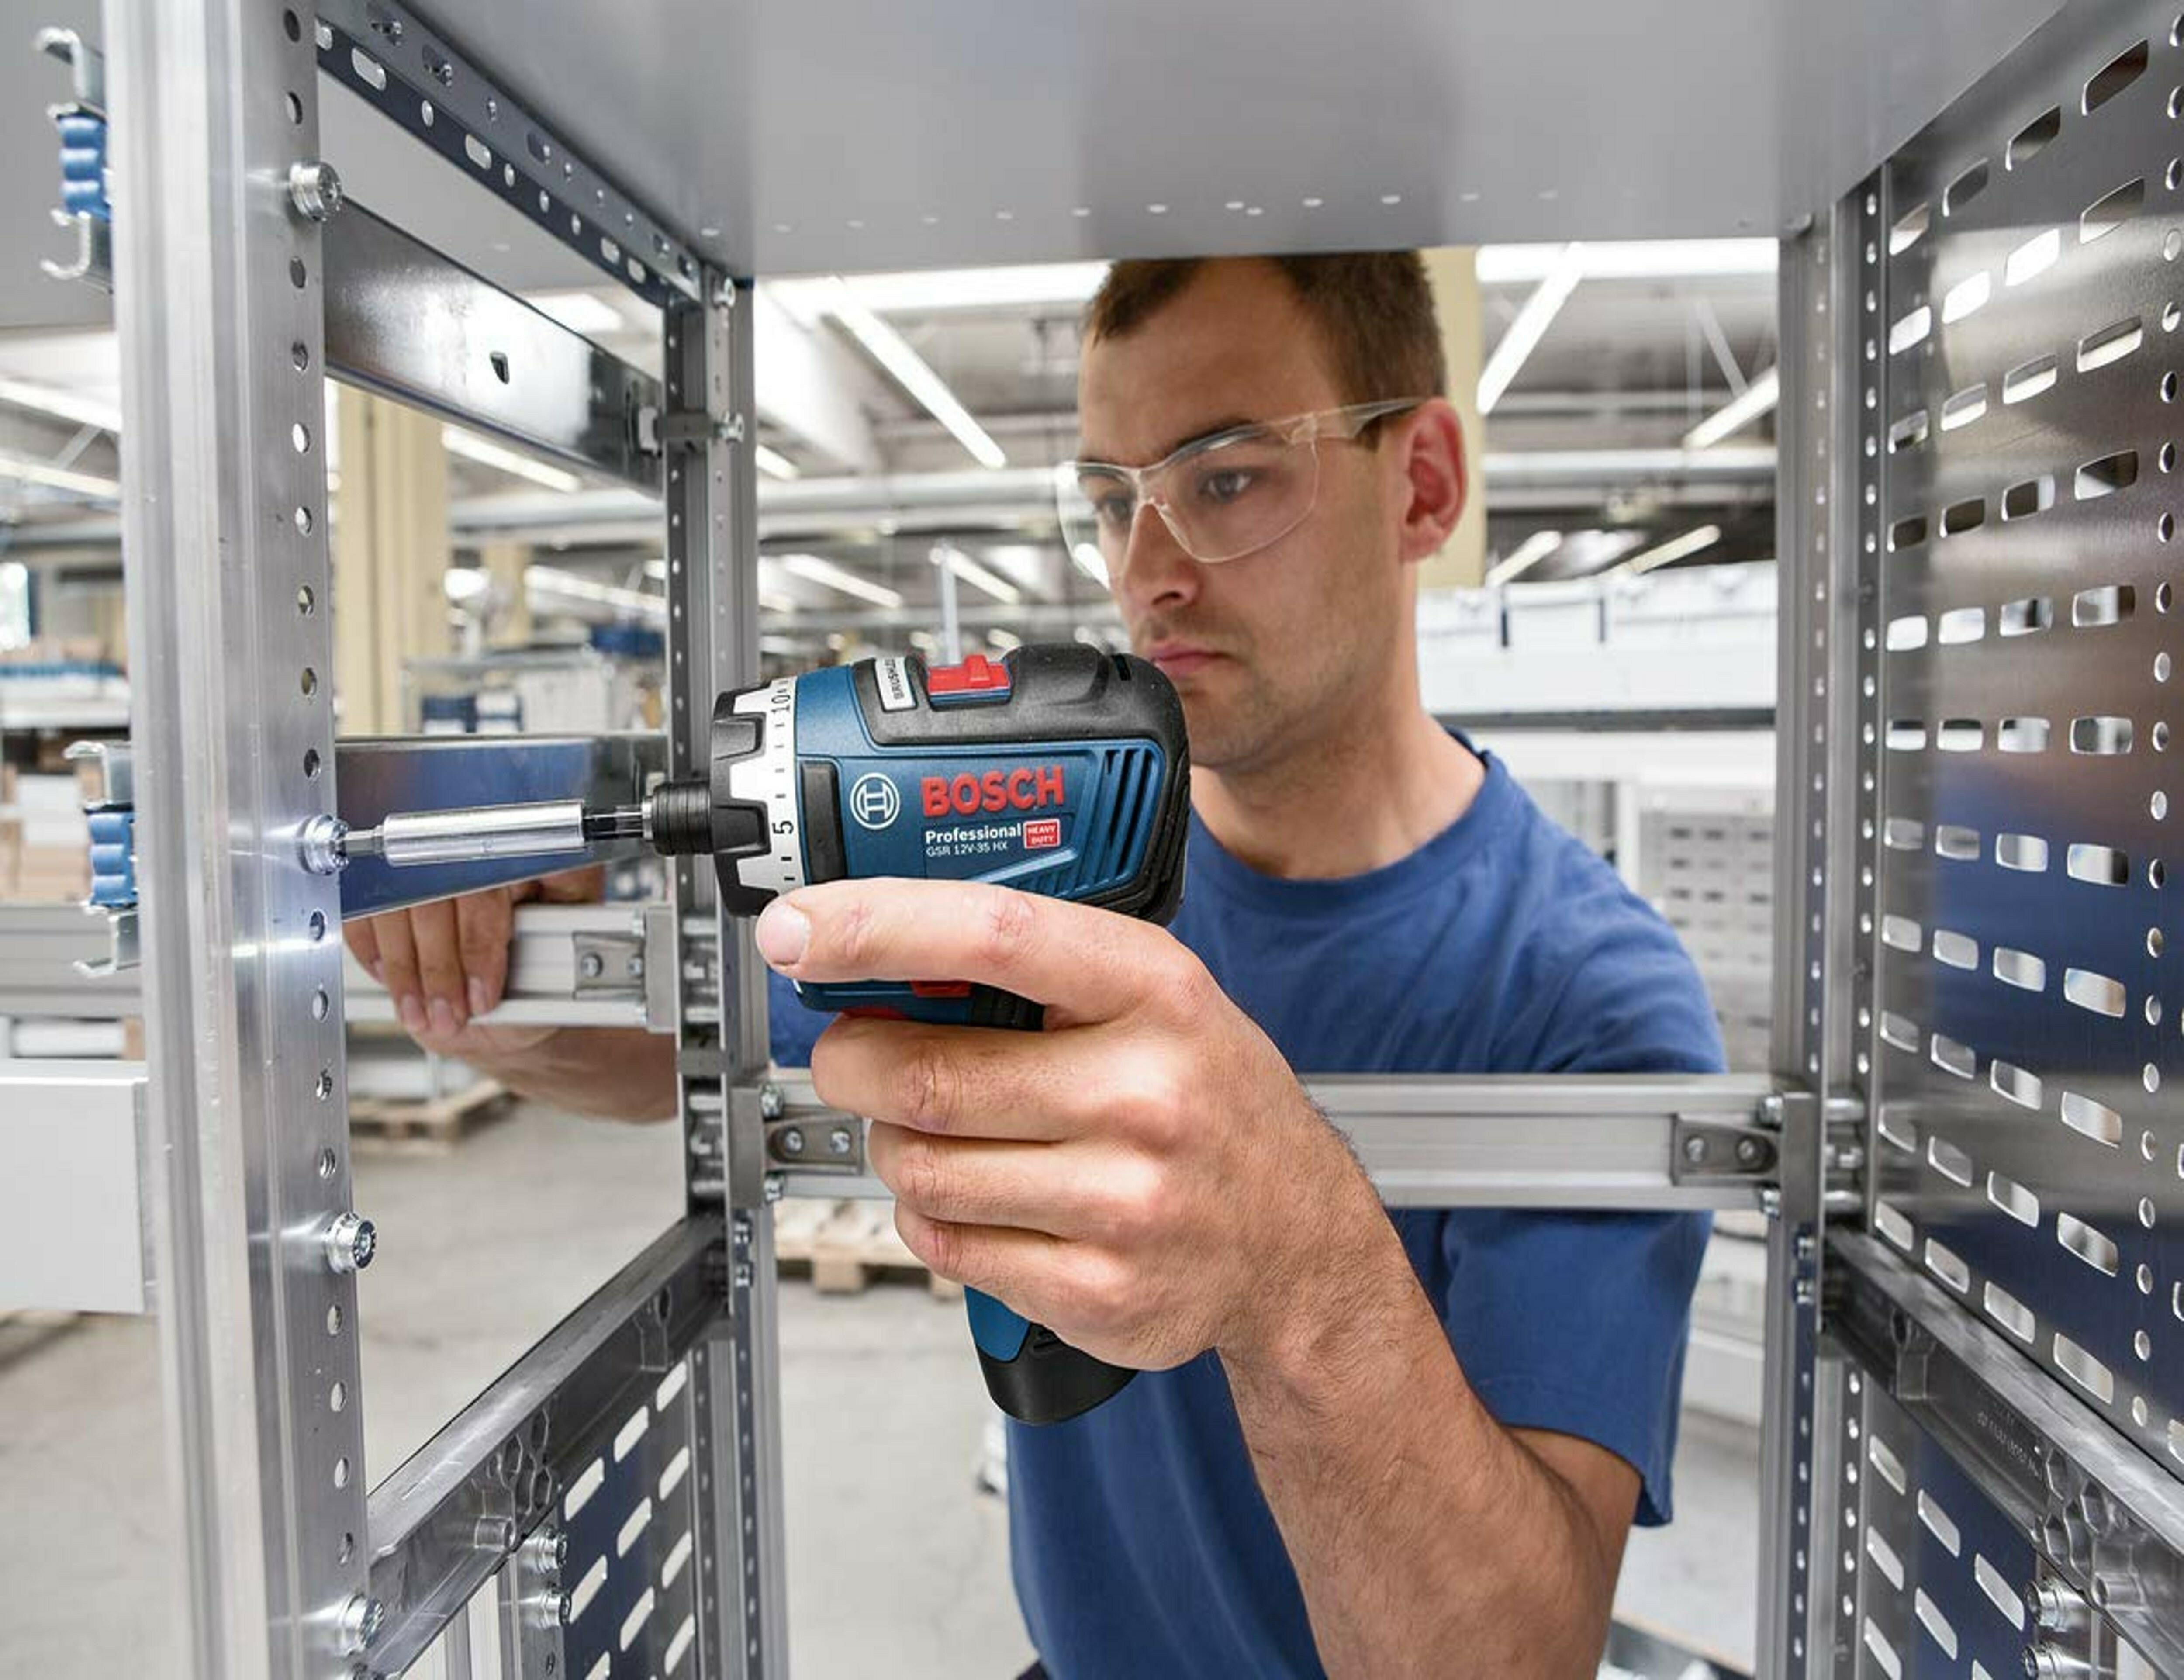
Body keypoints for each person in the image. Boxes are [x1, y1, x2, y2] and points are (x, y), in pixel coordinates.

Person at [348, 252, 1722, 1679]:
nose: (1147, 571)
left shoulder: (1590, 998)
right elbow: (659, 1056)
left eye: (1227, 479)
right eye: (1115, 499)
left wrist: (1294, 1264)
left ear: (1423, 485)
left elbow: (1518, 1659)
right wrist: (487, 972)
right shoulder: (1033, 852)